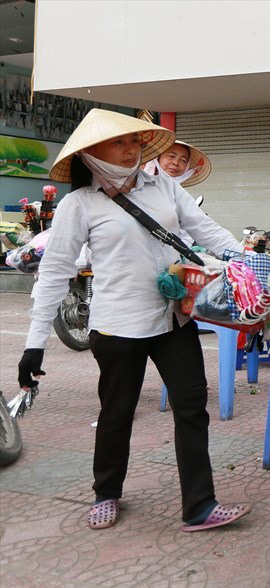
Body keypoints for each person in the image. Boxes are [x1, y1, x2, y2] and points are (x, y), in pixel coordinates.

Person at [16, 108, 251, 531]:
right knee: (116, 414)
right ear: (91, 153)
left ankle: (199, 504)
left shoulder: (162, 186)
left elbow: (205, 228)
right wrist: (35, 343)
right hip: (117, 327)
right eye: (119, 142)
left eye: (135, 142)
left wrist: (250, 262)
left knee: (192, 407)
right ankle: (106, 492)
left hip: (173, 321)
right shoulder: (79, 204)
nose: (131, 150)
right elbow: (55, 271)